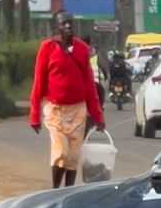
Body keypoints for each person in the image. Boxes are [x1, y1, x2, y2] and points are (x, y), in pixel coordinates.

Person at [30, 10, 105, 189]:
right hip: (55, 109)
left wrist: (98, 116)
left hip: (78, 110)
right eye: (64, 23)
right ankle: (55, 190)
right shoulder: (47, 47)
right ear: (57, 27)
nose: (68, 26)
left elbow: (89, 84)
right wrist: (34, 115)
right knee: (61, 152)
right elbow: (39, 82)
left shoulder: (81, 49)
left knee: (72, 156)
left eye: (71, 22)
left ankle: (68, 190)